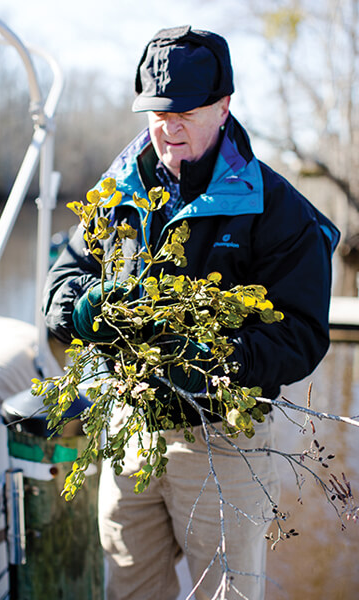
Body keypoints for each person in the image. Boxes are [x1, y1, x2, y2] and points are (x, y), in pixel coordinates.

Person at [43, 26, 339, 600]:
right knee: (129, 587)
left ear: (224, 106)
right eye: (157, 112)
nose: (167, 127)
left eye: (187, 112)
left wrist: (220, 357)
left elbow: (303, 334)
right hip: (130, 427)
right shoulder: (116, 190)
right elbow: (58, 287)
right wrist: (84, 310)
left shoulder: (279, 210)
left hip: (225, 439)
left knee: (225, 593)